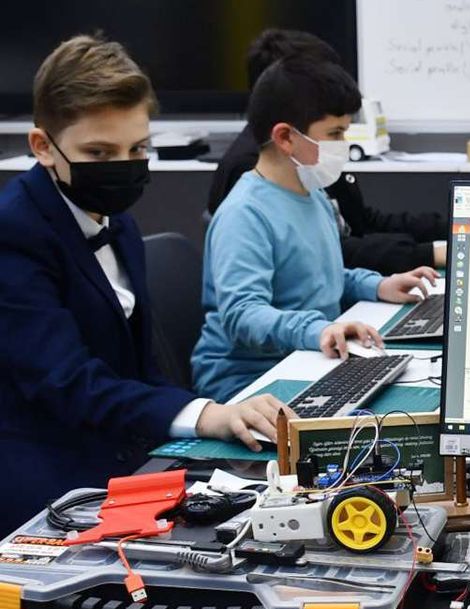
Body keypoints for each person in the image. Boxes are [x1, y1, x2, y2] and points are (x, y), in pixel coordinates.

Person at [0, 36, 293, 533]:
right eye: (99, 151)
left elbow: (141, 370)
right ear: (43, 147)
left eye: (137, 148)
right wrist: (203, 415)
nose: (123, 165)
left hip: (130, 450)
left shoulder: (118, 222)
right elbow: (67, 384)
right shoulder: (14, 232)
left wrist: (218, 414)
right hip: (51, 480)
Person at [191, 57, 439, 402]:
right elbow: (242, 315)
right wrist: (317, 329)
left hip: (304, 359)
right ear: (285, 137)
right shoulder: (245, 214)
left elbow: (320, 276)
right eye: (335, 134)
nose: (343, 144)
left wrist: (378, 284)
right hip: (248, 382)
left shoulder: (313, 194)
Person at [206, 29, 445, 274]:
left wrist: (447, 229)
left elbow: (356, 227)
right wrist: (425, 254)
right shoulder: (254, 178)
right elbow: (326, 256)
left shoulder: (311, 175)